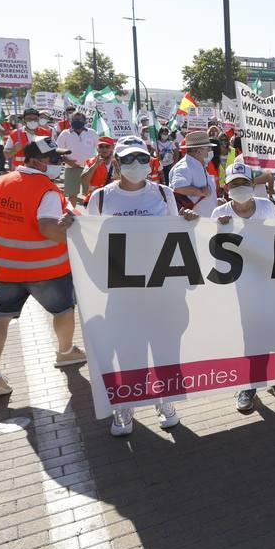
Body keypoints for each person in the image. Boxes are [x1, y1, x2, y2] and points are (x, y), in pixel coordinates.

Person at [87, 137, 188, 434]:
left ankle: (164, 399)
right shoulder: (101, 198)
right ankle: (125, 405)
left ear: (151, 162)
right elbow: (91, 240)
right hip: (121, 290)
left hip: (163, 288)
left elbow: (177, 236)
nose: (136, 166)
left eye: (142, 159)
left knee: (165, 348)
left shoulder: (165, 194)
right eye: (128, 160)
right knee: (128, 350)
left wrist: (190, 222)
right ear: (116, 163)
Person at [0, 136, 86, 397]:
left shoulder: (3, 181)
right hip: (46, 268)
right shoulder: (46, 189)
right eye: (55, 160)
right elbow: (48, 226)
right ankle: (65, 352)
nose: (59, 164)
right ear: (37, 162)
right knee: (63, 311)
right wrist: (76, 241)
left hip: (10, 267)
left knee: (0, 318)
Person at [212, 162, 275, 412]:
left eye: (244, 183)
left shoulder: (267, 207)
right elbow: (209, 251)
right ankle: (249, 385)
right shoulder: (219, 214)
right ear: (226, 188)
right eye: (234, 184)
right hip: (242, 289)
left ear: (252, 185)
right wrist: (216, 228)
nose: (239, 188)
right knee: (251, 337)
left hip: (272, 283)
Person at [169, 131, 218, 214]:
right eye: (208, 148)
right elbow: (178, 186)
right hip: (193, 222)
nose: (210, 151)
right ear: (199, 151)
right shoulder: (184, 166)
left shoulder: (198, 164)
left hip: (203, 220)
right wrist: (201, 192)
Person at [55, 110, 98, 202]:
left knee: (91, 195)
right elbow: (57, 151)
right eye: (74, 119)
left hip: (90, 169)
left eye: (79, 119)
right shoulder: (65, 134)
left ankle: (93, 215)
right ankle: (71, 215)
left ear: (84, 121)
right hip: (71, 168)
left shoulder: (92, 133)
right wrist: (67, 161)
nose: (76, 121)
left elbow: (100, 149)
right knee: (72, 196)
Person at [79, 136, 117, 203]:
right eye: (101, 146)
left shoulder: (118, 162)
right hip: (95, 199)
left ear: (112, 148)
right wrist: (95, 165)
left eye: (107, 146)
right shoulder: (91, 162)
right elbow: (84, 180)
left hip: (113, 199)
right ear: (97, 148)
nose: (104, 149)